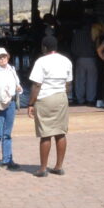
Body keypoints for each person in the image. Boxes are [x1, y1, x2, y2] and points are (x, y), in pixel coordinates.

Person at [27, 34, 72, 176]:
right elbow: (68, 84)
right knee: (60, 133)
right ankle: (58, 167)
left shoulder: (41, 61)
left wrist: (31, 103)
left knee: (45, 134)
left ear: (44, 47)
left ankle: (43, 169)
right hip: (61, 97)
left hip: (45, 98)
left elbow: (36, 85)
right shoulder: (66, 61)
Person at [69, 19, 99, 106]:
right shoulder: (95, 33)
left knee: (80, 80)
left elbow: (73, 48)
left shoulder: (77, 34)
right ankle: (90, 99)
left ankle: (80, 99)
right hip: (92, 59)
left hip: (80, 59)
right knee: (92, 80)